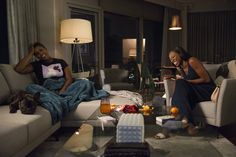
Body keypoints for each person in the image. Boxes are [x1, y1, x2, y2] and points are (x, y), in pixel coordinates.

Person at [14, 42, 108, 123]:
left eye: (41, 50)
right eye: (36, 53)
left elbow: (69, 78)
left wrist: (63, 89)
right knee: (30, 87)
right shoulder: (36, 65)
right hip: (49, 90)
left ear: (45, 49)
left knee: (85, 83)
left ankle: (60, 98)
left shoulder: (60, 62)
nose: (40, 54)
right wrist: (30, 53)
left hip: (65, 88)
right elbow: (19, 69)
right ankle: (62, 100)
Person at [168, 46, 216, 135]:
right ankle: (187, 122)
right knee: (180, 85)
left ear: (180, 54)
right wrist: (180, 77)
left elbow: (206, 79)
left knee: (181, 83)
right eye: (171, 59)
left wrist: (186, 81)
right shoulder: (180, 67)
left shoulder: (192, 61)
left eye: (173, 57)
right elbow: (185, 84)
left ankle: (184, 119)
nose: (172, 60)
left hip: (206, 90)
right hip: (196, 90)